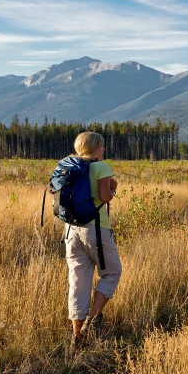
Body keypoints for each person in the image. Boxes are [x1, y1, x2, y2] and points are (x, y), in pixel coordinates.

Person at [66, 132, 122, 350]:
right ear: (97, 148)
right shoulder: (101, 167)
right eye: (103, 146)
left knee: (78, 282)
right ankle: (92, 320)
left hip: (71, 230)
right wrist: (112, 189)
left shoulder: (70, 167)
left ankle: (76, 336)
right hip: (96, 229)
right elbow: (105, 196)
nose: (104, 150)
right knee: (112, 272)